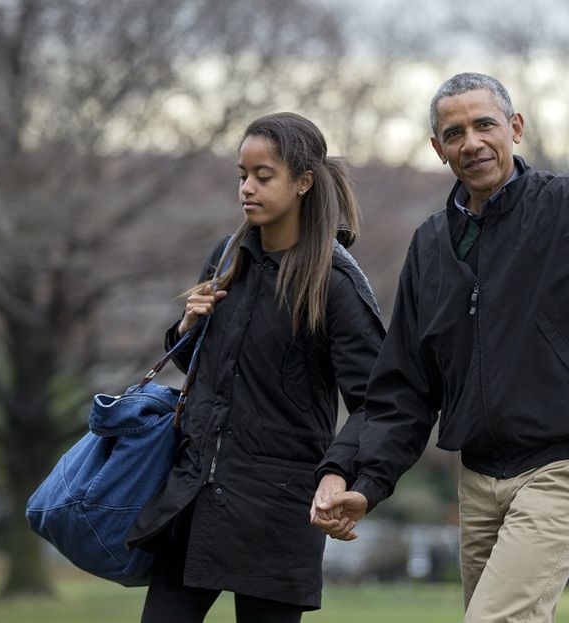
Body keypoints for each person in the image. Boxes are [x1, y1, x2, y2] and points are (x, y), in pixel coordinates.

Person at [312, 22, 569, 623]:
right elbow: (402, 392)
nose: (471, 142)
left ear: (514, 128)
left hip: (566, 466)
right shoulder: (430, 248)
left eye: (484, 124)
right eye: (454, 133)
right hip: (480, 479)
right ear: (437, 148)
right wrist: (361, 477)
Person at [126, 112, 385, 623]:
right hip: (194, 499)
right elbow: (199, 367)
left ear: (303, 182)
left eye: (263, 176)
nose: (247, 188)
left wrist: (341, 476)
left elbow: (377, 402)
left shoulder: (334, 284)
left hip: (278, 514)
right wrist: (185, 329)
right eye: (242, 175)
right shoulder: (226, 257)